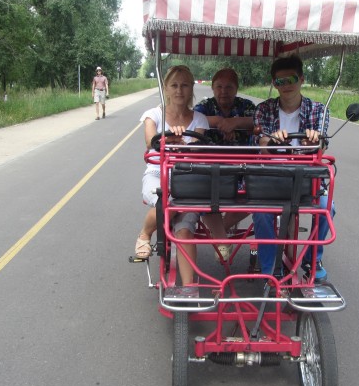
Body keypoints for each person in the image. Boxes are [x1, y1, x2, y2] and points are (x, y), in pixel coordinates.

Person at [252, 54, 334, 282]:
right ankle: (271, 270)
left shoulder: (318, 110)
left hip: (306, 178)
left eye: (291, 79)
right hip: (271, 177)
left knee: (328, 208)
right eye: (279, 81)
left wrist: (314, 142)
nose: (286, 86)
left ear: (301, 79)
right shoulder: (264, 110)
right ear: (273, 84)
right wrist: (272, 141)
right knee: (260, 213)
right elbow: (260, 146)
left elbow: (322, 147)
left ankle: (312, 258)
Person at [134, 65, 209, 287]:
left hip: (188, 176)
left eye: (184, 85)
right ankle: (145, 233)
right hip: (159, 173)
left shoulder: (200, 119)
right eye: (174, 85)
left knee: (185, 228)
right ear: (166, 88)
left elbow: (196, 146)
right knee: (166, 202)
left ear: (191, 88)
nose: (179, 90)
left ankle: (188, 289)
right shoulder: (153, 115)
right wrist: (166, 140)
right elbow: (151, 141)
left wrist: (183, 145)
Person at [194, 68, 255, 260]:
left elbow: (256, 120)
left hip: (242, 167)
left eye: (229, 87)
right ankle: (221, 237)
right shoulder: (205, 106)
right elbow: (195, 119)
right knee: (199, 194)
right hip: (210, 168)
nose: (223, 91)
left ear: (236, 89)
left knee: (255, 197)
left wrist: (235, 122)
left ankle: (220, 227)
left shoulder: (246, 105)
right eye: (219, 86)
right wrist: (222, 121)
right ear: (212, 88)